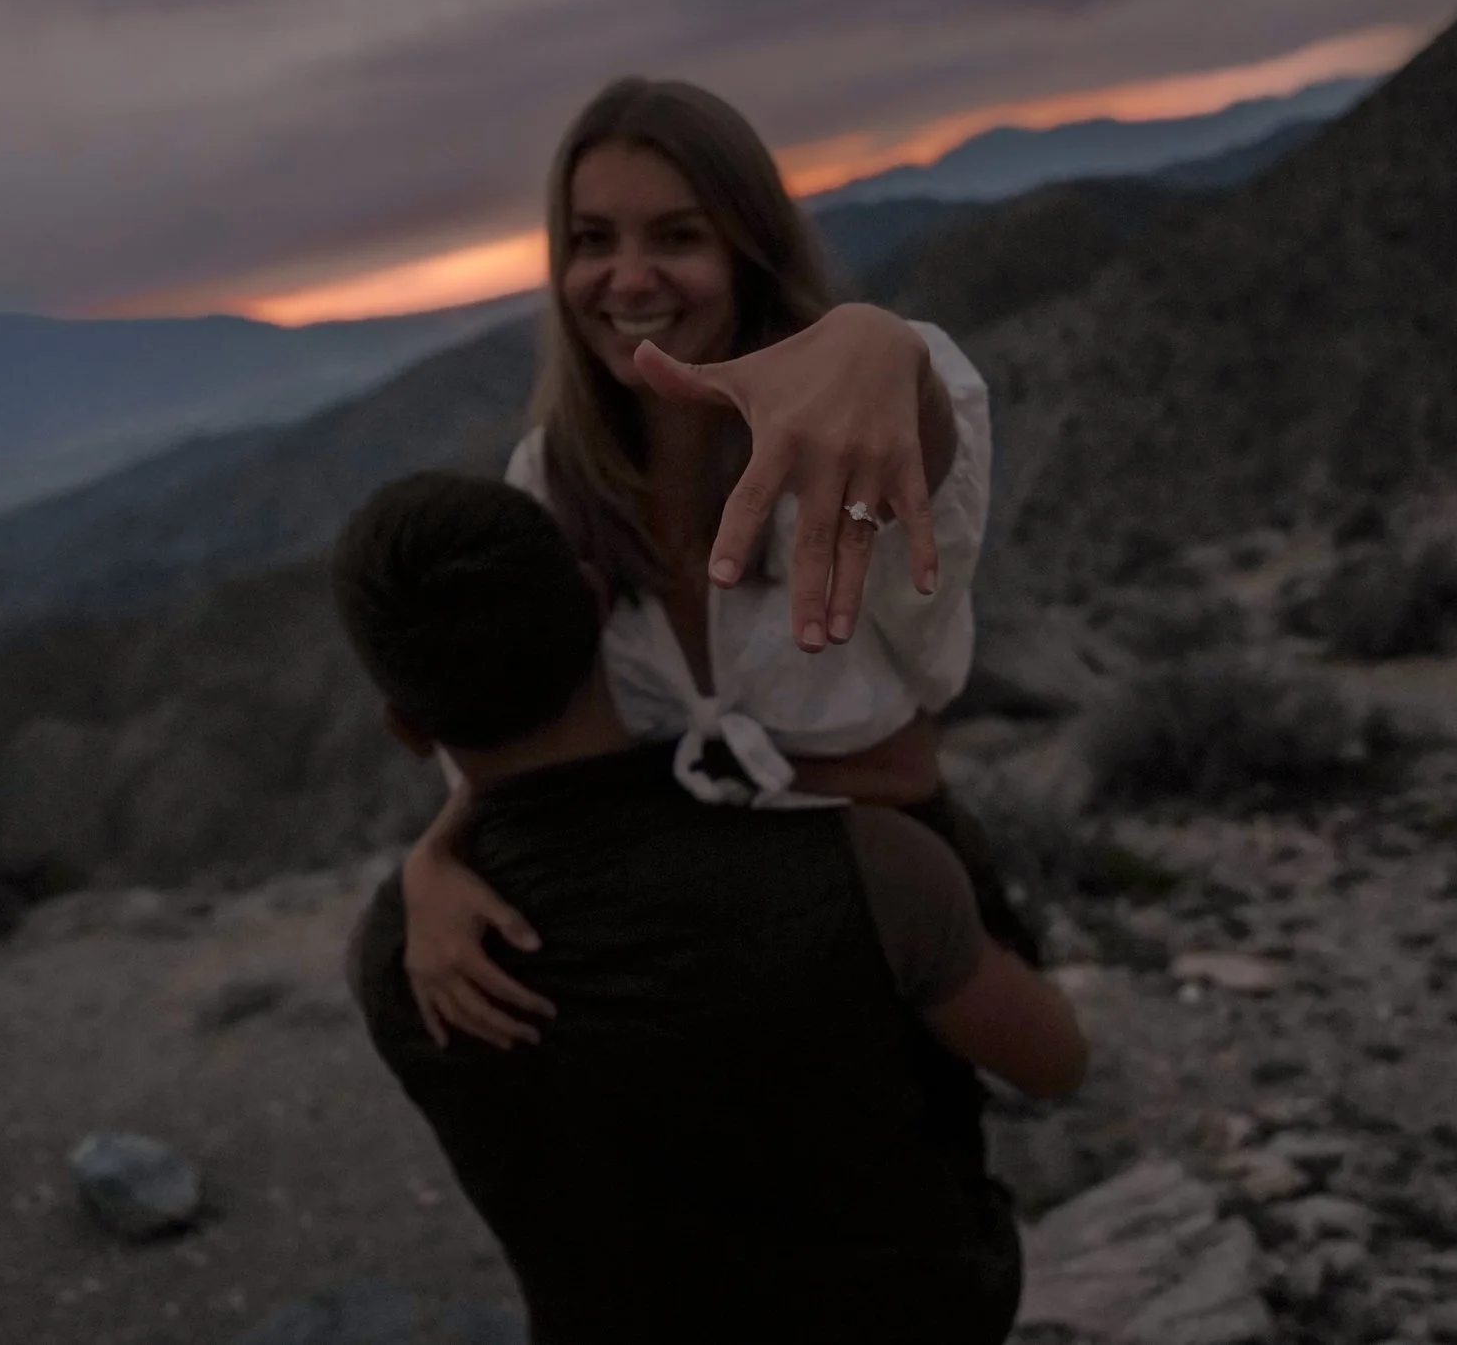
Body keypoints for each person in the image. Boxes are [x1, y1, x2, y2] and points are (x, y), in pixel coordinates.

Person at [335, 471, 1088, 1344]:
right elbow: (1055, 1062)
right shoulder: (869, 866)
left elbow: (537, 800)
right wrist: (920, 794)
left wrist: (437, 844)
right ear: (594, 600)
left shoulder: (403, 958)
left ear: (404, 726)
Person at [402, 75, 1039, 1050]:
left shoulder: (854, 425)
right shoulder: (548, 478)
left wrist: (878, 346)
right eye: (591, 240)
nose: (628, 278)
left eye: (676, 235)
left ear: (749, 247)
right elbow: (511, 750)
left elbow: (920, 429)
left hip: (899, 896)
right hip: (710, 941)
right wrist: (431, 864)